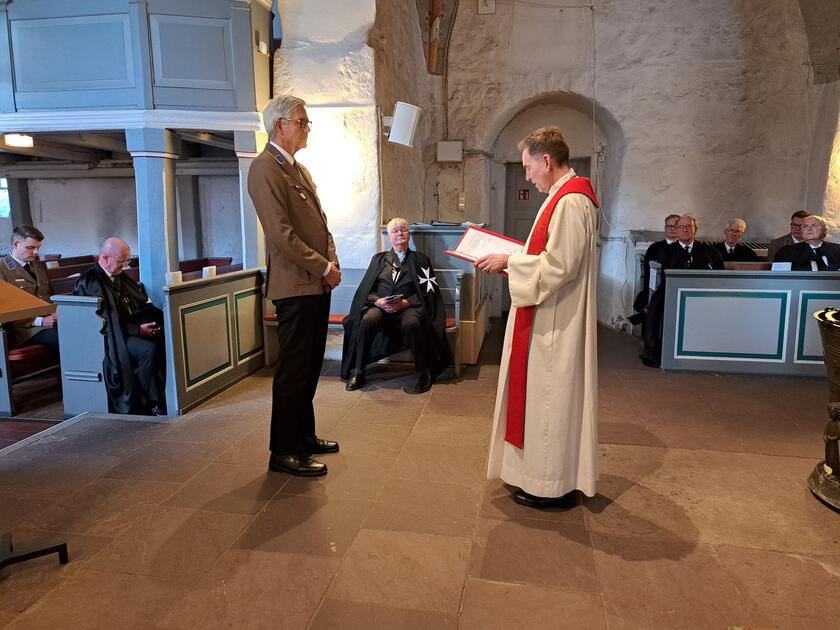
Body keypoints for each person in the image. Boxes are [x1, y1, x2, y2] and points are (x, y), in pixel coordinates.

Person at [475, 126, 599, 509]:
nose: (527, 176)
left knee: (548, 401)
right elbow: (547, 256)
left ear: (546, 161)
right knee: (544, 400)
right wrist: (513, 264)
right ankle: (541, 477)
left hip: (556, 323)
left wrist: (510, 262)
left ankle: (551, 486)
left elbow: (561, 266)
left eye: (529, 168)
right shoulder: (562, 197)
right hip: (547, 313)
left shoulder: (571, 201)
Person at [247, 94, 341, 477]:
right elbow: (282, 236)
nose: (306, 128)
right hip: (295, 286)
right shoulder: (264, 169)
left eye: (306, 122)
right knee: (294, 370)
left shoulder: (296, 169)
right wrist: (324, 267)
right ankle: (284, 450)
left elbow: (321, 223)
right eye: (301, 122)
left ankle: (303, 436)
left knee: (309, 365)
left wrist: (331, 260)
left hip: (315, 285)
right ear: (279, 126)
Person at [341, 217, 451, 393]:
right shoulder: (378, 259)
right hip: (380, 306)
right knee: (367, 320)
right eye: (395, 230)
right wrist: (378, 301)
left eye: (403, 229)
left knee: (412, 323)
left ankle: (423, 372)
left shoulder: (420, 260)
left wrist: (407, 302)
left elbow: (428, 291)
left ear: (409, 234)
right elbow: (366, 289)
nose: (400, 233)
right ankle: (358, 370)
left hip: (409, 307)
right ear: (389, 236)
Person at [74, 238, 166, 415]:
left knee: (165, 339)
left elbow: (140, 302)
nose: (125, 265)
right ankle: (151, 402)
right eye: (121, 261)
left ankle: (165, 393)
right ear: (105, 258)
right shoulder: (90, 282)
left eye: (127, 261)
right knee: (148, 350)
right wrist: (138, 330)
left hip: (126, 331)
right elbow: (105, 321)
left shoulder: (120, 276)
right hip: (110, 337)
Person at [639, 215, 724, 367]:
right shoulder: (664, 251)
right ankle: (656, 352)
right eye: (681, 227)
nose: (685, 229)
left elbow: (719, 275)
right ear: (676, 230)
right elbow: (659, 278)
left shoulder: (709, 251)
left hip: (703, 297)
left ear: (695, 230)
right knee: (657, 305)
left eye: (689, 226)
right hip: (670, 295)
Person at [0, 225, 58, 349]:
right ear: (16, 244)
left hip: (48, 322)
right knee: (63, 337)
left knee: (81, 328)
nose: (36, 252)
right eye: (30, 247)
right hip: (22, 331)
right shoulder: (2, 269)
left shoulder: (39, 266)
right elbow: (6, 310)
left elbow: (48, 296)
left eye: (38, 248)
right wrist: (40, 321)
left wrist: (54, 313)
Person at [630, 213, 680, 327]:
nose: (672, 229)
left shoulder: (684, 248)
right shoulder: (655, 248)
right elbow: (647, 274)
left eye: (676, 226)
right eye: (669, 226)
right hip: (656, 290)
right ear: (665, 229)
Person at [773, 215, 840, 270]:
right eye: (805, 226)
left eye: (814, 225)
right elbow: (779, 277)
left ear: (824, 231)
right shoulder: (786, 252)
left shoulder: (838, 250)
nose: (809, 229)